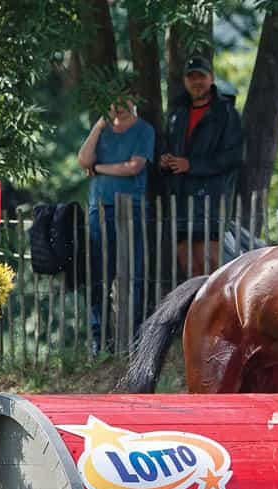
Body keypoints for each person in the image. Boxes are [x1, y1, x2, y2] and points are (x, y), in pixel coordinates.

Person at [77, 95, 155, 353]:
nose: (117, 105)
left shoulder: (144, 130)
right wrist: (98, 126)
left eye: (123, 98)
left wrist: (99, 168)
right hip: (98, 208)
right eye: (112, 100)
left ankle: (134, 338)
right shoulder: (101, 130)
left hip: (130, 208)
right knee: (100, 273)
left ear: (133, 99)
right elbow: (83, 161)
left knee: (133, 273)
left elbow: (133, 167)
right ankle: (99, 339)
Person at [159, 55, 244, 222]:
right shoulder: (177, 113)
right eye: (191, 77)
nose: (196, 82)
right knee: (180, 248)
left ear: (211, 78)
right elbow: (167, 147)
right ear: (184, 81)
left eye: (201, 77)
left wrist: (190, 165)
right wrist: (165, 160)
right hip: (180, 200)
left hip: (212, 201)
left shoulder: (226, 113)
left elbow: (233, 157)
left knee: (208, 248)